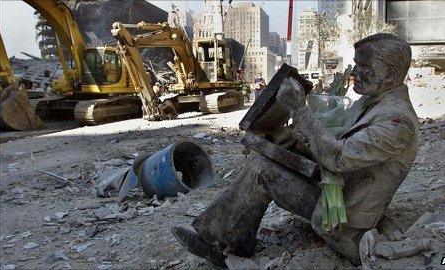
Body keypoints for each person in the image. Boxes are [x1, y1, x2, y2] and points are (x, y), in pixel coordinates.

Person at [171, 33, 419, 267]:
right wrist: (288, 139)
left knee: (261, 169)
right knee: (264, 156)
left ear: (391, 74)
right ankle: (233, 237)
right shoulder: (370, 103)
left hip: (346, 221)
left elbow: (337, 158)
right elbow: (336, 142)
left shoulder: (397, 122)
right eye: (356, 64)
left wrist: (300, 110)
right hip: (337, 195)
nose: (354, 72)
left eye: (363, 66)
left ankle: (220, 243)